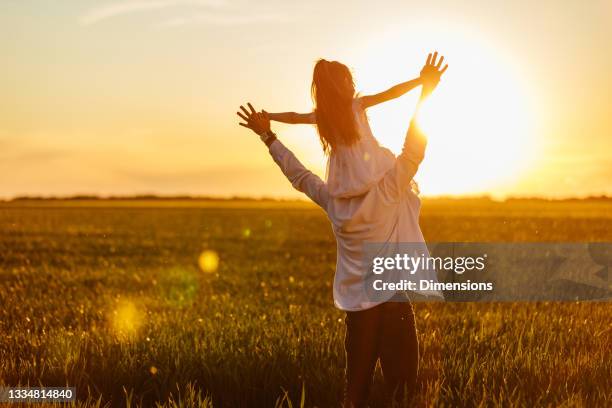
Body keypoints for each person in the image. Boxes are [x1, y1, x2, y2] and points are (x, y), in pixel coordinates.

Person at [237, 52, 447, 407]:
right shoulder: (388, 188)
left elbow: (299, 175)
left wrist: (268, 135)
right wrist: (425, 92)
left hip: (357, 311)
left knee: (356, 396)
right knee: (405, 395)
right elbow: (413, 151)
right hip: (393, 302)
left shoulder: (332, 200)